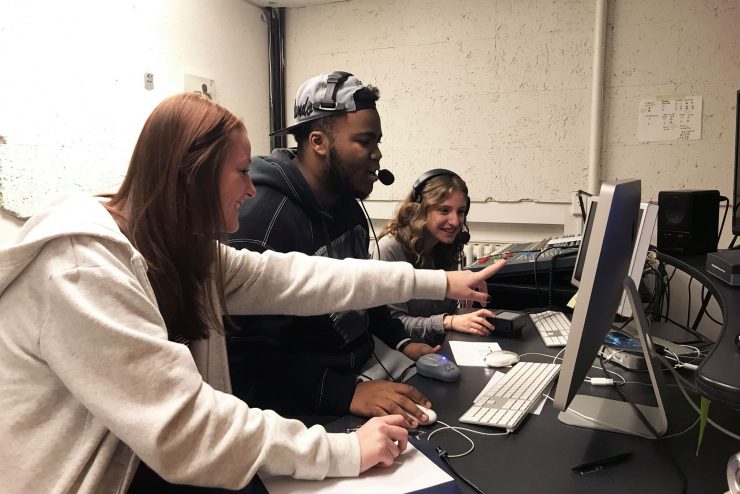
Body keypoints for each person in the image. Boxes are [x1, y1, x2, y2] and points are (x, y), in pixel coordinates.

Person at [0, 92, 506, 493]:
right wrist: (343, 452)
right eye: (241, 172)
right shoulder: (80, 270)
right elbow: (186, 429)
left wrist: (439, 281)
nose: (250, 188)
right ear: (193, 175)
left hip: (151, 470)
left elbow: (308, 278)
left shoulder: (190, 255)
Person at [227, 72, 465, 423]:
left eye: (377, 141)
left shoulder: (347, 207)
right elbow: (245, 370)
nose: (377, 154)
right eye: (365, 141)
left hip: (363, 375)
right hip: (306, 406)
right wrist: (344, 392)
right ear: (319, 142)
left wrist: (402, 341)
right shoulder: (262, 220)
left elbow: (365, 293)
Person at [376, 169, 497, 345]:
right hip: (405, 354)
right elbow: (391, 327)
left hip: (438, 346)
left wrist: (461, 311)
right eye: (444, 210)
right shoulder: (390, 249)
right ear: (420, 209)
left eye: (461, 211)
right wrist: (448, 321)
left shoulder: (447, 245)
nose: (455, 222)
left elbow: (447, 311)